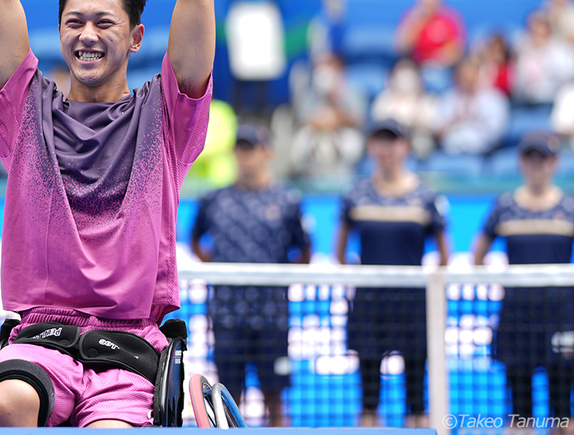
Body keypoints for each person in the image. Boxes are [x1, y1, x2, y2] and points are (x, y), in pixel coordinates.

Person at [0, 0, 215, 428]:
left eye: (103, 23)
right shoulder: (26, 111)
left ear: (135, 38)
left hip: (131, 347)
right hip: (39, 340)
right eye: (74, 23)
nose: (86, 35)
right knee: (3, 403)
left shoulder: (166, 117)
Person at [190, 124, 311, 426]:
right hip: (227, 314)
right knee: (229, 396)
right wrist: (218, 266)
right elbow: (195, 239)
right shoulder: (214, 199)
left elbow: (304, 250)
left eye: (252, 149)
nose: (246, 156)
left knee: (274, 395)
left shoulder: (287, 199)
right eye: (241, 149)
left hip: (272, 316)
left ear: (266, 153)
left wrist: (276, 280)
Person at [335, 119, 450, 428]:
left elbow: (444, 255)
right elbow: (340, 252)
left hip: (412, 306)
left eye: (393, 141)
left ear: (405, 147)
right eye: (379, 141)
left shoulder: (426, 197)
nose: (386, 148)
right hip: (370, 305)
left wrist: (422, 287)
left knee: (416, 394)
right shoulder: (355, 195)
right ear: (370, 147)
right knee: (369, 395)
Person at [471, 133, 574, 425]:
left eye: (543, 159)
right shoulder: (505, 207)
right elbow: (477, 257)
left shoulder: (569, 209)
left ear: (555, 163)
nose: (537, 165)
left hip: (561, 319)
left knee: (563, 409)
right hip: (517, 319)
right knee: (519, 409)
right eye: (531, 159)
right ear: (521, 163)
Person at [435, 55, 509, 154]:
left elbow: (495, 133)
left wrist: (468, 135)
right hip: (452, 151)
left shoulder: (493, 98)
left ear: (478, 73)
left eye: (470, 72)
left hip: (482, 152)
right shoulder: (450, 97)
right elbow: (439, 127)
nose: (466, 77)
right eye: (463, 73)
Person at [394, 0, 466, 68]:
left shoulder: (449, 19)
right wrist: (415, 25)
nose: (429, 2)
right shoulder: (412, 18)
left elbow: (457, 50)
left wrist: (443, 58)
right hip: (416, 65)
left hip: (442, 66)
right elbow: (401, 48)